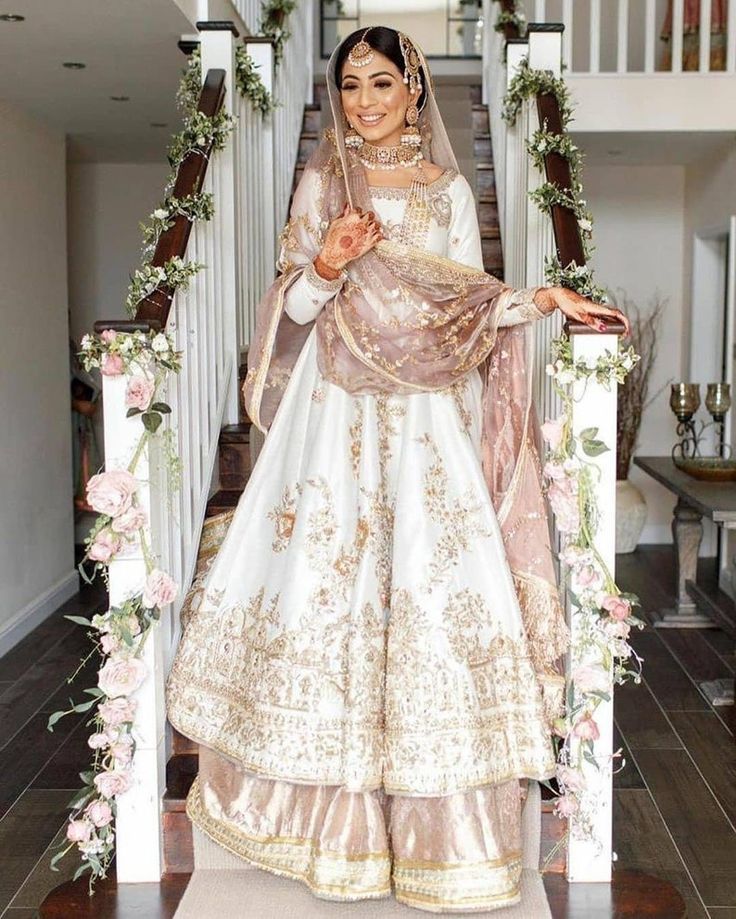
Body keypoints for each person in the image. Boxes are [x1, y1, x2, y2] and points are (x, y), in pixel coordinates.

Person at [166, 26, 628, 912]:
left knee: (430, 597)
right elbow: (290, 304)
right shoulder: (320, 182)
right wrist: (331, 265)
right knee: (321, 595)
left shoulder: (450, 190)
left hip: (423, 425)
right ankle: (326, 833)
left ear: (415, 90)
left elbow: (469, 309)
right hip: (330, 418)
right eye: (349, 85)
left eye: (383, 82)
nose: (365, 100)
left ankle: (441, 841)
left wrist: (544, 298)